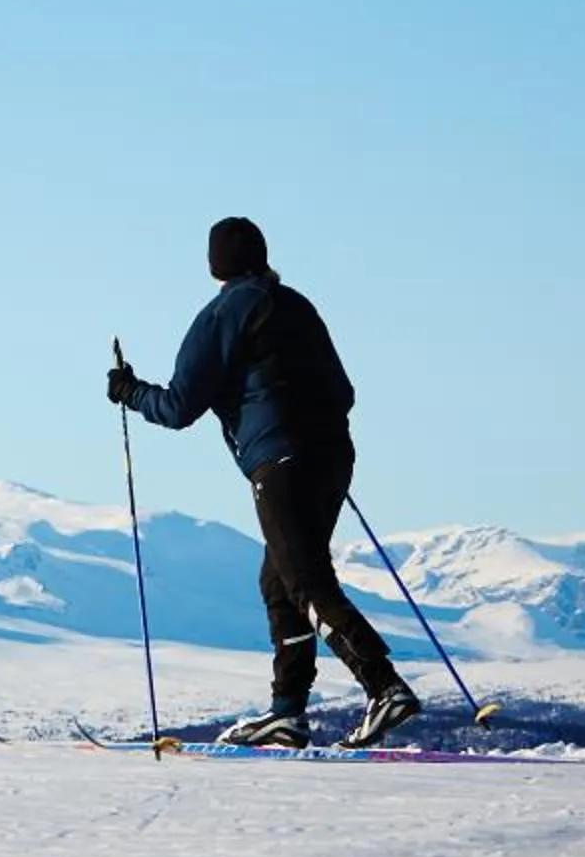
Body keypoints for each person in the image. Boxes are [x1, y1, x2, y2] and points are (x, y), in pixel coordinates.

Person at [105, 217, 422, 750]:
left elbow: (181, 406)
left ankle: (383, 685)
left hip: (279, 462)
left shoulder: (222, 314)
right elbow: (344, 390)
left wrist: (129, 391)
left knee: (304, 581)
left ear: (215, 265)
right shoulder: (297, 305)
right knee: (280, 582)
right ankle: (287, 713)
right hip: (333, 454)